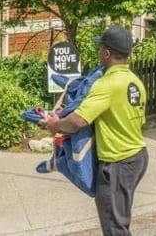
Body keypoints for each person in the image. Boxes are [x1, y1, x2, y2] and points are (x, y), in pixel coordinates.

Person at [42, 25, 148, 236]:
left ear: (107, 53)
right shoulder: (134, 82)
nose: (98, 51)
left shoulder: (106, 84)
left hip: (118, 162)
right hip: (137, 156)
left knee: (114, 228)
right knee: (118, 220)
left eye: (100, 48)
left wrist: (55, 124)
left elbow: (77, 122)